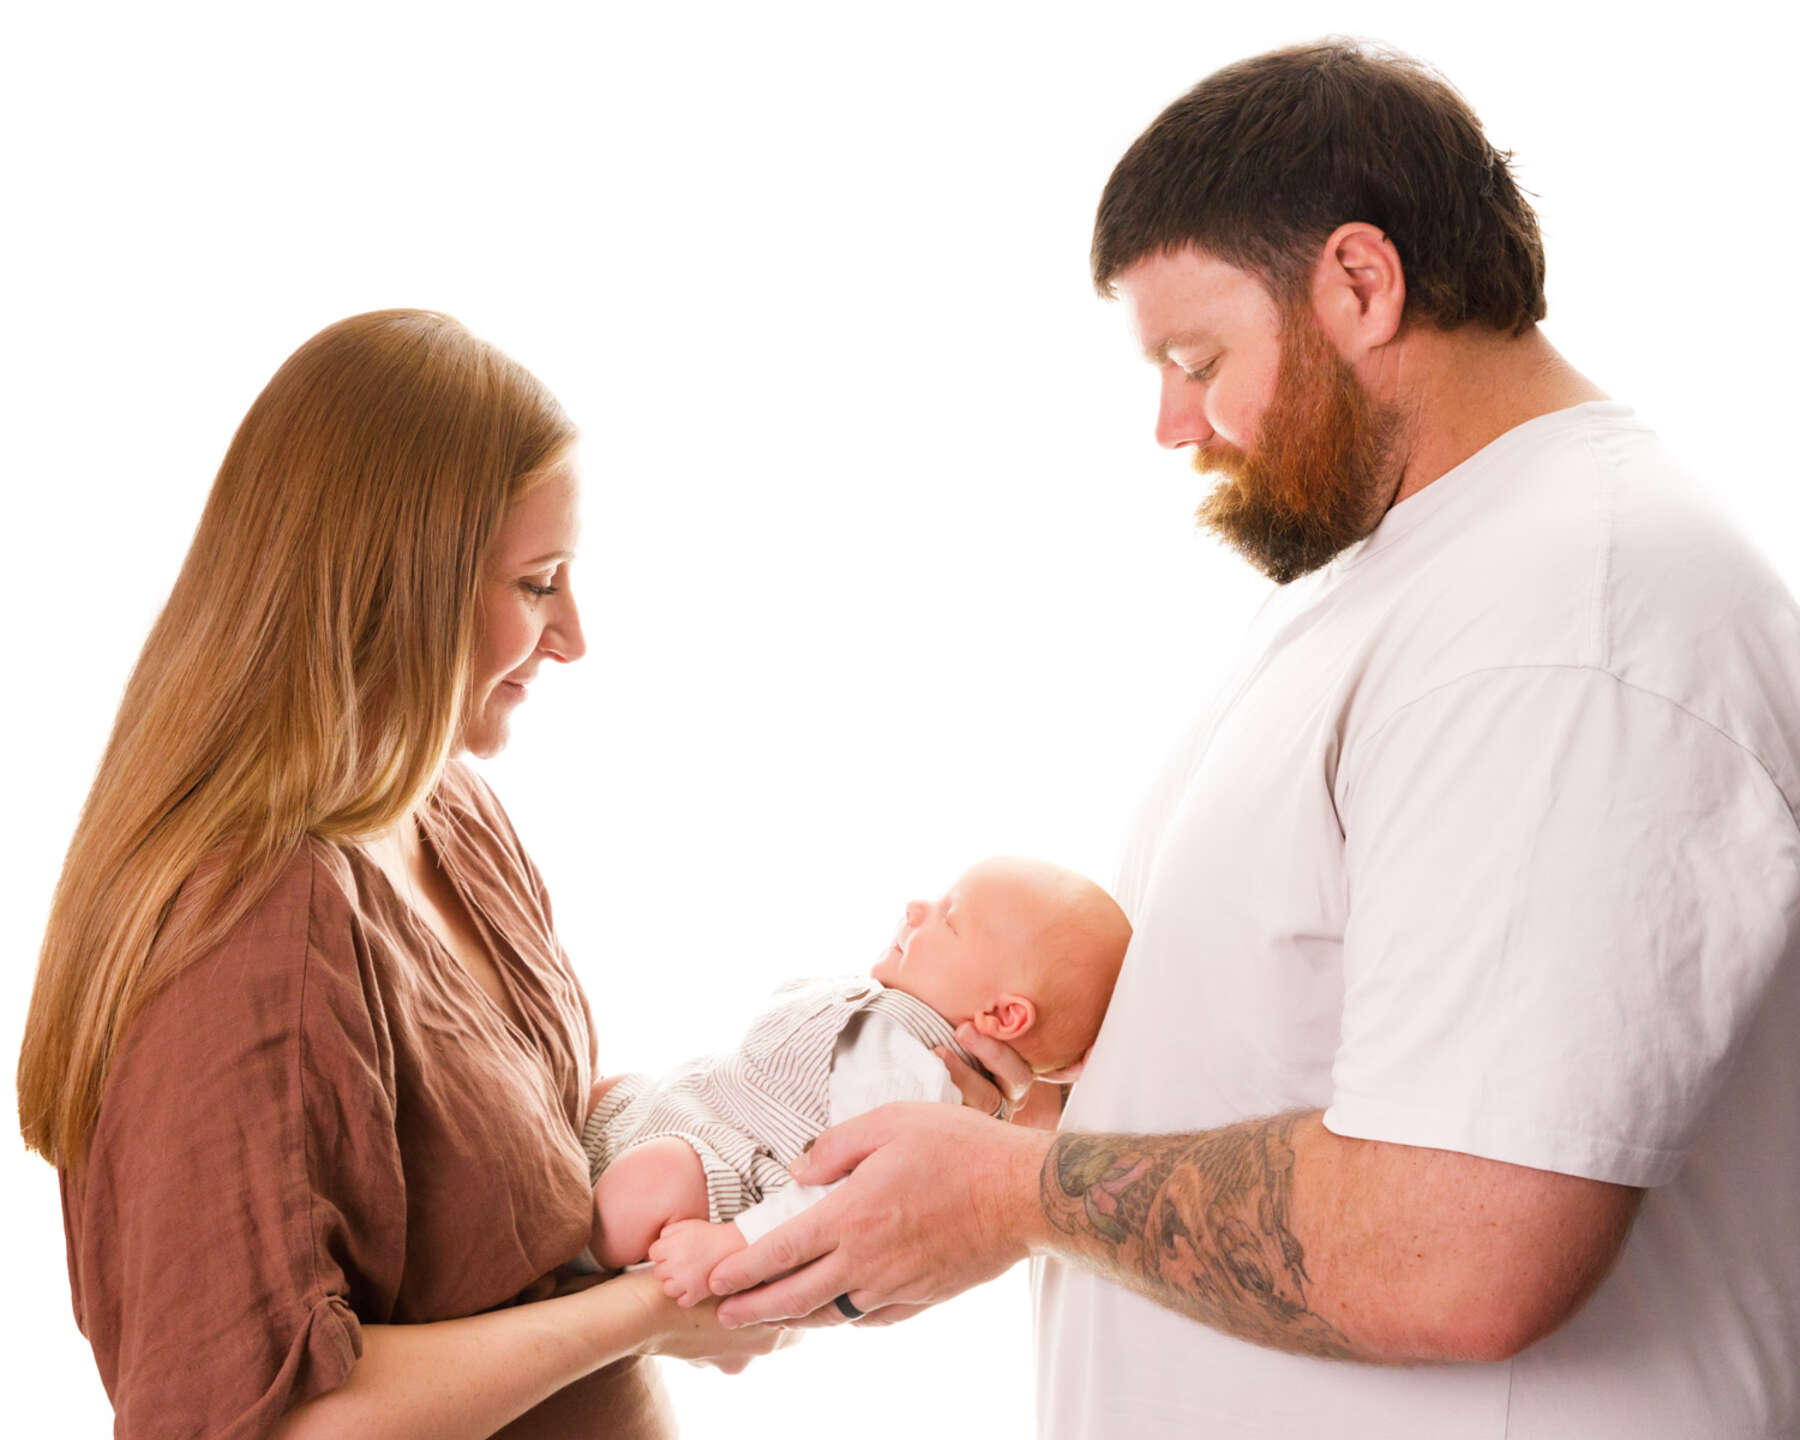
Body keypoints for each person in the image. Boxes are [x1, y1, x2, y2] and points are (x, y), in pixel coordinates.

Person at [698, 41, 1800, 1438]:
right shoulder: (1429, 582)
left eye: (1196, 357)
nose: (1171, 424)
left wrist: (1008, 1194)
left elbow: (1463, 1247)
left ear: (1358, 282)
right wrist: (1026, 1138)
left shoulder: (1571, 618)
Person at [15, 309, 787, 1440]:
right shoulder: (248, 930)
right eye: (540, 584)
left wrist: (743, 1133)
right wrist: (645, 1312)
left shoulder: (446, 811)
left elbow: (513, 1156)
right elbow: (273, 1425)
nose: (573, 636)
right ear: (397, 587)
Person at [574, 857, 1126, 1302]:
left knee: (650, 1183)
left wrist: (730, 1242)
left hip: (723, 1168)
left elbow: (844, 1199)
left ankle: (566, 1264)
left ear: (1003, 1017)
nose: (917, 908)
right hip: (680, 1106)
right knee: (608, 1096)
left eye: (949, 919)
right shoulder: (890, 1009)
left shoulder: (917, 1074)